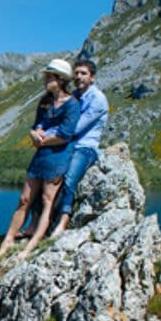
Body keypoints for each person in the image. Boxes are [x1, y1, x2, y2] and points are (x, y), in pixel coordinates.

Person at [0, 58, 79, 259]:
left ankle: (31, 246)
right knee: (25, 199)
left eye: (49, 77)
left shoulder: (72, 105)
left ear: (60, 80)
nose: (45, 80)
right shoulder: (44, 101)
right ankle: (7, 241)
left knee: (47, 200)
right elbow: (36, 125)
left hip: (58, 157)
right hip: (41, 156)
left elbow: (65, 135)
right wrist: (34, 134)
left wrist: (41, 140)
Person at [49, 58, 108, 238]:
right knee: (47, 178)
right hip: (68, 145)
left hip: (85, 147)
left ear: (92, 77)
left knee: (69, 179)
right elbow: (60, 120)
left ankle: (63, 222)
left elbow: (75, 128)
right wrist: (43, 131)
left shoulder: (97, 99)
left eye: (83, 73)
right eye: (76, 73)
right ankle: (41, 222)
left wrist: (51, 135)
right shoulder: (74, 96)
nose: (79, 77)